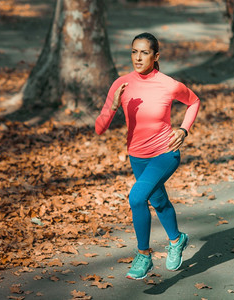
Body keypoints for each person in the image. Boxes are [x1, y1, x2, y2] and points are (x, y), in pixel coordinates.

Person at [95, 32, 200, 280]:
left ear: (156, 56)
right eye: (134, 51)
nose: (138, 57)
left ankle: (144, 255)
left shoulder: (168, 84)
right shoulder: (121, 84)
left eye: (144, 52)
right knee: (158, 200)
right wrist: (113, 107)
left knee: (137, 196)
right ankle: (177, 240)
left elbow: (194, 102)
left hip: (166, 153)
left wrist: (184, 129)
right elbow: (100, 128)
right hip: (137, 156)